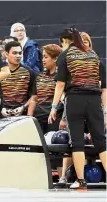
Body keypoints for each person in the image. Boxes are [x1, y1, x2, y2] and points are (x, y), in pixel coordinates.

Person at [48, 27, 106, 189]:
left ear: (66, 41)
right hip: (94, 101)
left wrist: (54, 107)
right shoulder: (93, 54)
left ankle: (81, 181)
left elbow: (60, 84)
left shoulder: (65, 55)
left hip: (75, 100)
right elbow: (102, 86)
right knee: (101, 142)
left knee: (77, 143)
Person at [28, 44, 63, 134]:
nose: (42, 60)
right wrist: (29, 118)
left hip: (54, 117)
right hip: (38, 118)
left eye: (45, 57)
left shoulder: (62, 77)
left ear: (55, 59)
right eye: (42, 57)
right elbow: (34, 99)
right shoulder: (39, 76)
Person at [1, 41, 36, 117]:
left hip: (22, 113)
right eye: (14, 53)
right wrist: (2, 108)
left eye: (20, 53)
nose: (18, 56)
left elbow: (34, 95)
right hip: (2, 113)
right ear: (6, 54)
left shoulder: (29, 72)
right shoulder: (0, 71)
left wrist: (23, 107)